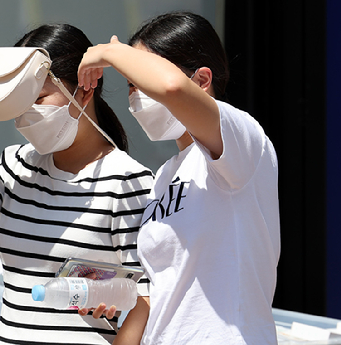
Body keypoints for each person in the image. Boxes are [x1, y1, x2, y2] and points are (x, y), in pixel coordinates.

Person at [0, 23, 152, 345]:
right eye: (20, 101)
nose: (26, 114)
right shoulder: (17, 166)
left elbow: (148, 299)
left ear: (85, 89)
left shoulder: (128, 182)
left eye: (40, 97)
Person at [77, 12, 281, 344]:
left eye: (141, 80)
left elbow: (171, 87)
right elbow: (163, 292)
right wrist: (116, 293)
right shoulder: (165, 176)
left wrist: (111, 52)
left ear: (201, 80)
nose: (136, 95)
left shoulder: (243, 138)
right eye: (131, 85)